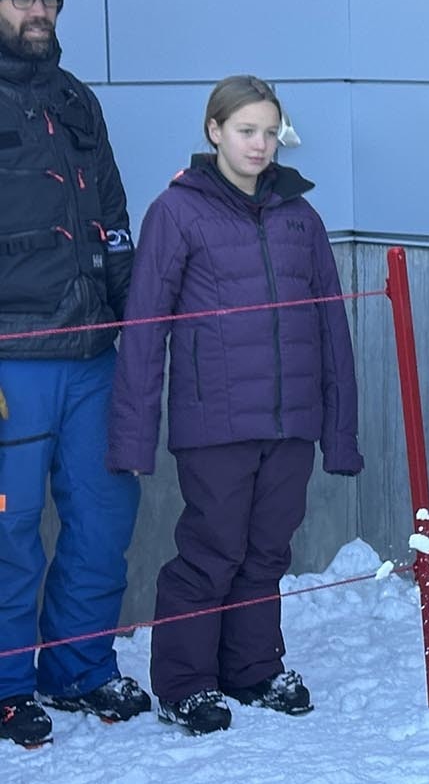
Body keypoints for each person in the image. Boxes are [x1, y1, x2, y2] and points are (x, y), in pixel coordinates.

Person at [107, 75, 362, 735]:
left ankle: (251, 667)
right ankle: (185, 683)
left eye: (270, 132)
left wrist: (340, 431)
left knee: (267, 551)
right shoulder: (178, 212)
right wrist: (133, 437)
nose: (259, 144)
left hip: (290, 420)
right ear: (214, 131)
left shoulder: (300, 218)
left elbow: (332, 327)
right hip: (214, 421)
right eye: (246, 130)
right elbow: (144, 326)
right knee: (212, 550)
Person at [0, 0, 148, 748]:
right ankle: (5, 682)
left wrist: (139, 325)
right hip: (11, 358)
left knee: (101, 516)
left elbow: (114, 220)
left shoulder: (73, 100)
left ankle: (79, 666)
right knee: (7, 529)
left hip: (94, 353)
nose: (40, 9)